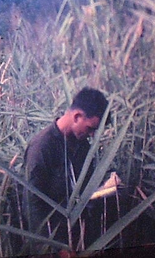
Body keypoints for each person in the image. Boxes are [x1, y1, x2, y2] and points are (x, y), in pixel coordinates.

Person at [23, 87, 111, 252]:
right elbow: (32, 205)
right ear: (77, 117)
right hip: (53, 240)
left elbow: (84, 188)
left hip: (79, 235)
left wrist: (106, 189)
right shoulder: (41, 148)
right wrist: (56, 248)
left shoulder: (82, 145)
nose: (92, 135)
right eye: (91, 128)